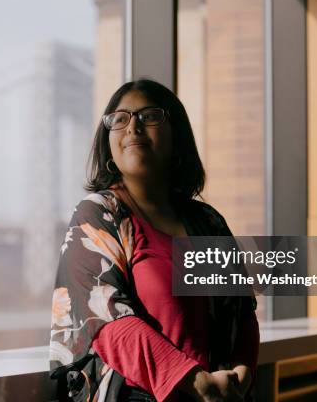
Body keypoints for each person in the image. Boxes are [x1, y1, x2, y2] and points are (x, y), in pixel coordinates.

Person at [49, 79, 259, 402]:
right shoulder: (98, 216)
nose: (132, 126)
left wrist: (242, 376)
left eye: (149, 116)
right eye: (119, 119)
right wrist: (197, 382)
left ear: (177, 137)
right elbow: (105, 323)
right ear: (109, 143)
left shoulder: (209, 222)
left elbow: (242, 312)